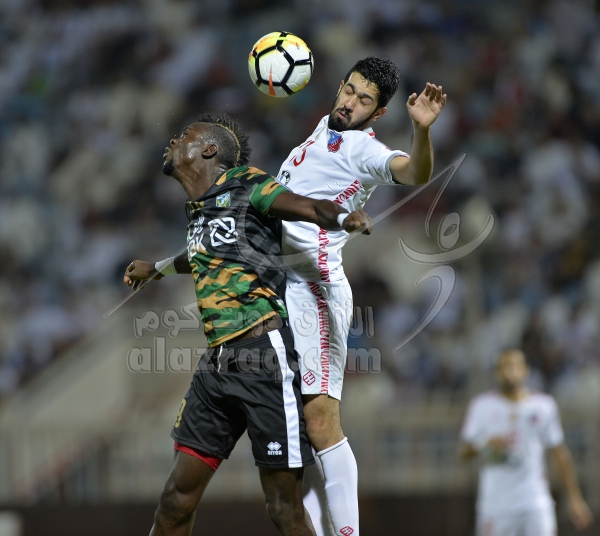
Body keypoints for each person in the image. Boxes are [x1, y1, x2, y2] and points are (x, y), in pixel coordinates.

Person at [148, 57, 447, 536]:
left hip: (314, 288)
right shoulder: (318, 136)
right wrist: (161, 268)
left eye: (364, 100)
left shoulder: (362, 149)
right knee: (295, 424)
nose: (349, 103)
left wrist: (422, 131)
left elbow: (413, 172)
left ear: (378, 113)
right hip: (279, 290)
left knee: (321, 421)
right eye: (349, 90)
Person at [123, 113, 372, 536]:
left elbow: (308, 206)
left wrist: (342, 217)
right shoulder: (199, 209)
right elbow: (201, 254)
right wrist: (157, 269)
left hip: (262, 358)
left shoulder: (246, 183)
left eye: (184, 135)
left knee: (283, 509)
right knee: (174, 501)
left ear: (208, 150)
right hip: (216, 367)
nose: (173, 140)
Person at [460, 349, 594, 536]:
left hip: (534, 503)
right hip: (495, 506)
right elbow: (464, 452)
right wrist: (485, 443)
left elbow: (559, 453)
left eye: (513, 366)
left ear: (526, 370)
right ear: (496, 372)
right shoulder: (481, 406)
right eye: (503, 367)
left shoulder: (543, 406)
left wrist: (575, 498)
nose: (508, 371)